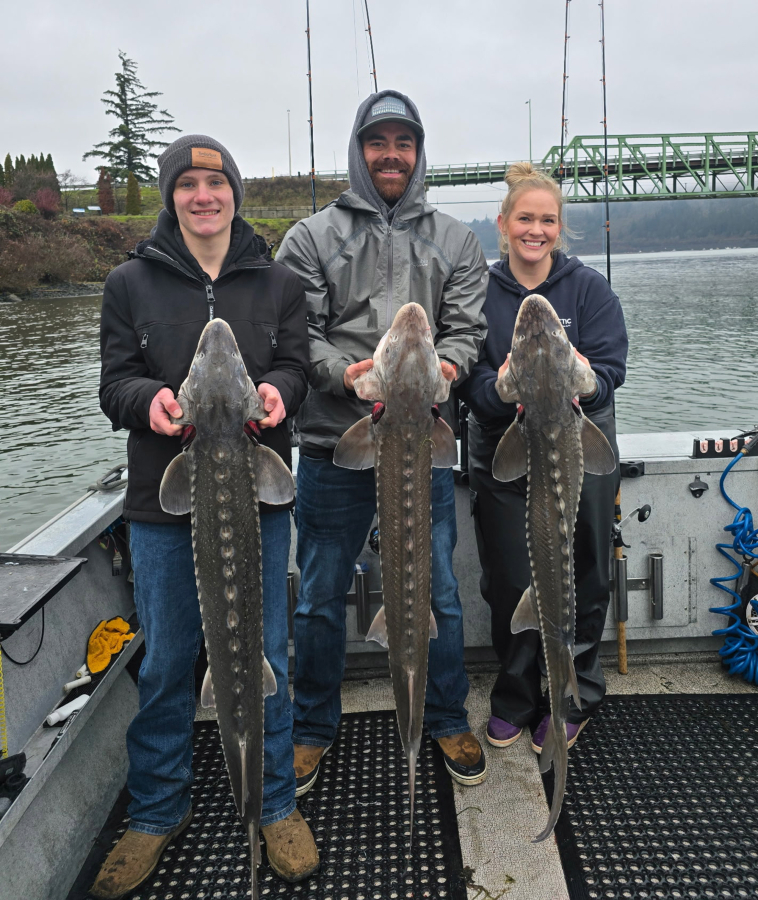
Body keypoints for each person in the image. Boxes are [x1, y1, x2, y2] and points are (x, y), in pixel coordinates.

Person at [93, 135, 317, 899]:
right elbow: (115, 384)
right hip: (164, 503)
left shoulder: (278, 281)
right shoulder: (129, 281)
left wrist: (282, 392)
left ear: (234, 195)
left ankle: (275, 804)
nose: (203, 196)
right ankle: (157, 811)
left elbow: (295, 367)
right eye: (187, 184)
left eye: (215, 184)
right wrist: (150, 403)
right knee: (167, 660)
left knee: (268, 653)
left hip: (259, 499)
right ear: (172, 196)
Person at [276, 90, 489, 792]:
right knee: (318, 593)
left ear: (419, 153)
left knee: (440, 589)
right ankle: (312, 726)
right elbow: (296, 335)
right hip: (334, 442)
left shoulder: (456, 239)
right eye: (378, 142)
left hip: (420, 443)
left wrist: (448, 368)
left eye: (404, 142)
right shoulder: (310, 237)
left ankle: (446, 714)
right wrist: (345, 376)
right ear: (359, 150)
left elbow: (467, 329)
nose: (391, 154)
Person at [458, 162, 627, 754]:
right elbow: (469, 383)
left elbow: (611, 371)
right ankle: (516, 698)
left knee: (587, 571)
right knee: (510, 579)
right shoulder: (477, 292)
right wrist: (499, 388)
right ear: (503, 224)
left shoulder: (589, 289)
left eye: (547, 220)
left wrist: (587, 379)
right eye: (525, 219)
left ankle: (573, 695)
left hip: (579, 443)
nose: (536, 230)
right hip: (505, 446)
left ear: (560, 227)